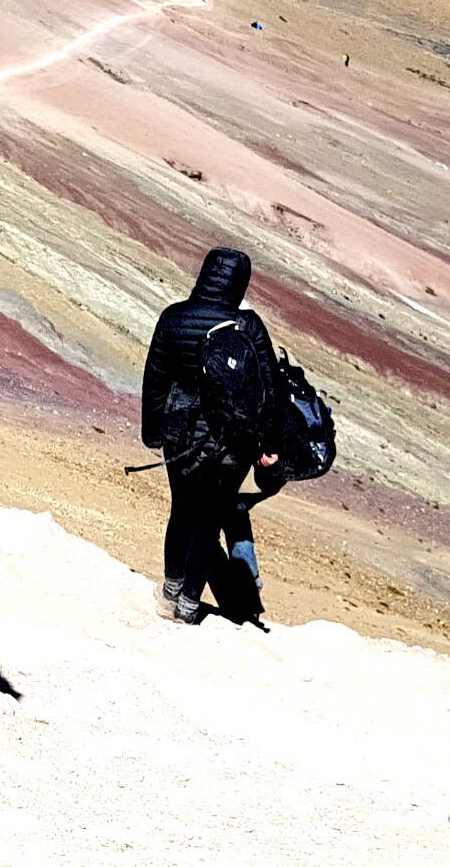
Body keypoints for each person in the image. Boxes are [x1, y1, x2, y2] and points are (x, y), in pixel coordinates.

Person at [140, 247, 283, 626]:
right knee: (209, 521)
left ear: (203, 275)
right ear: (240, 284)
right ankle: (189, 605)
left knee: (182, 513)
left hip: (182, 436)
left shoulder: (174, 318)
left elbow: (156, 382)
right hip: (234, 442)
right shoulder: (248, 326)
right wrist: (270, 445)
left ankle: (170, 592)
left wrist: (152, 433)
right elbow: (270, 389)